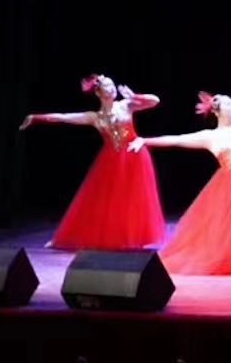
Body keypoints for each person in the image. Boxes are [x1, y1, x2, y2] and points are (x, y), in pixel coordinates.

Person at [130, 93, 231, 275]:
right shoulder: (210, 136)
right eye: (228, 104)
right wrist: (145, 141)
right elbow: (177, 139)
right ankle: (227, 257)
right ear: (217, 112)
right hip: (230, 182)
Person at [20, 74, 166, 250]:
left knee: (133, 198)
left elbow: (155, 101)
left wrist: (135, 96)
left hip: (134, 156)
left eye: (113, 85)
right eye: (107, 86)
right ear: (98, 93)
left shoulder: (126, 105)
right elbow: (63, 117)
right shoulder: (94, 117)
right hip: (111, 160)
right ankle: (69, 238)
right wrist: (36, 117)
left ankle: (132, 237)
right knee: (104, 199)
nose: (112, 88)